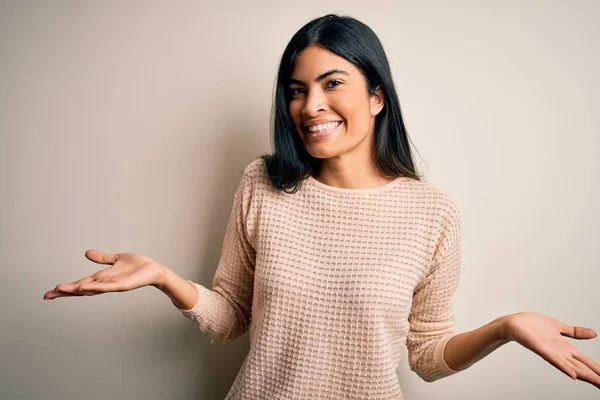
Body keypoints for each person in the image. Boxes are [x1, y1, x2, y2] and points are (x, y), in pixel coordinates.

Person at [43, 14, 599, 399]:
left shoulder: (433, 213)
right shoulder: (262, 183)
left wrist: (505, 327)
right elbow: (231, 317)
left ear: (376, 97)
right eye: (295, 89)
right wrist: (164, 277)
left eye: (333, 83)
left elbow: (427, 356)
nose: (311, 106)